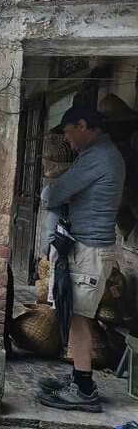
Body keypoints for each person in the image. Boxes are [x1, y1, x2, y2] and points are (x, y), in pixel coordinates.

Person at [38, 106, 125, 412]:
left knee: (78, 319)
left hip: (89, 251)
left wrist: (52, 191)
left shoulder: (100, 157)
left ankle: (84, 390)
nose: (66, 139)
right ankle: (79, 378)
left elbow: (56, 193)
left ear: (84, 125)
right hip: (85, 248)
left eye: (68, 131)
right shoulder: (96, 155)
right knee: (75, 316)